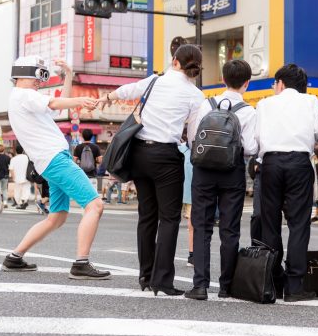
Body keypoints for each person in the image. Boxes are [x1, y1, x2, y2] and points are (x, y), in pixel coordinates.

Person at [99, 44, 204, 295]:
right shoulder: (195, 95)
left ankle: (145, 275)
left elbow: (127, 91)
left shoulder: (155, 81)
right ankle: (162, 280)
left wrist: (108, 97)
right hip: (166, 157)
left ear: (175, 62)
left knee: (146, 216)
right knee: (168, 218)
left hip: (139, 154)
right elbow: (193, 133)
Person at [2, 56, 109, 280]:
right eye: (39, 76)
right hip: (55, 159)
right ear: (24, 74)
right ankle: (81, 263)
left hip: (49, 160)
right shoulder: (24, 95)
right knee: (95, 205)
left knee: (57, 216)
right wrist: (82, 99)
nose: (40, 82)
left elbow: (57, 107)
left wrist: (68, 76)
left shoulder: (23, 98)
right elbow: (53, 103)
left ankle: (14, 257)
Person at [185, 59, 258, 301]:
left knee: (202, 227)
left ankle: (200, 286)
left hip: (204, 171)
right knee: (230, 230)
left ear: (223, 79)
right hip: (232, 172)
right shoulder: (248, 111)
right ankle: (226, 286)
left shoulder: (206, 105)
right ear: (247, 83)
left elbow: (193, 138)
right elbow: (250, 148)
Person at [256, 63, 318, 302]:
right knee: (298, 224)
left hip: (271, 163)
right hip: (298, 162)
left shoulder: (264, 104)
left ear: (280, 83)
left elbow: (255, 140)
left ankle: (273, 280)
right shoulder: (311, 101)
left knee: (270, 223)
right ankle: (294, 286)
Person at [179, 139, 194, 268]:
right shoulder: (182, 149)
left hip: (189, 191)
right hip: (183, 191)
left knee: (192, 225)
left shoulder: (183, 149)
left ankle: (192, 255)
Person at [10, 145, 32, 210]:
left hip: (17, 178)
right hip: (26, 177)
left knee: (17, 191)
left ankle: (20, 203)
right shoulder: (26, 157)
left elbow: (11, 169)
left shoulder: (13, 159)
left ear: (16, 151)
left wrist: (13, 177)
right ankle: (24, 200)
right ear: (22, 151)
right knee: (26, 189)